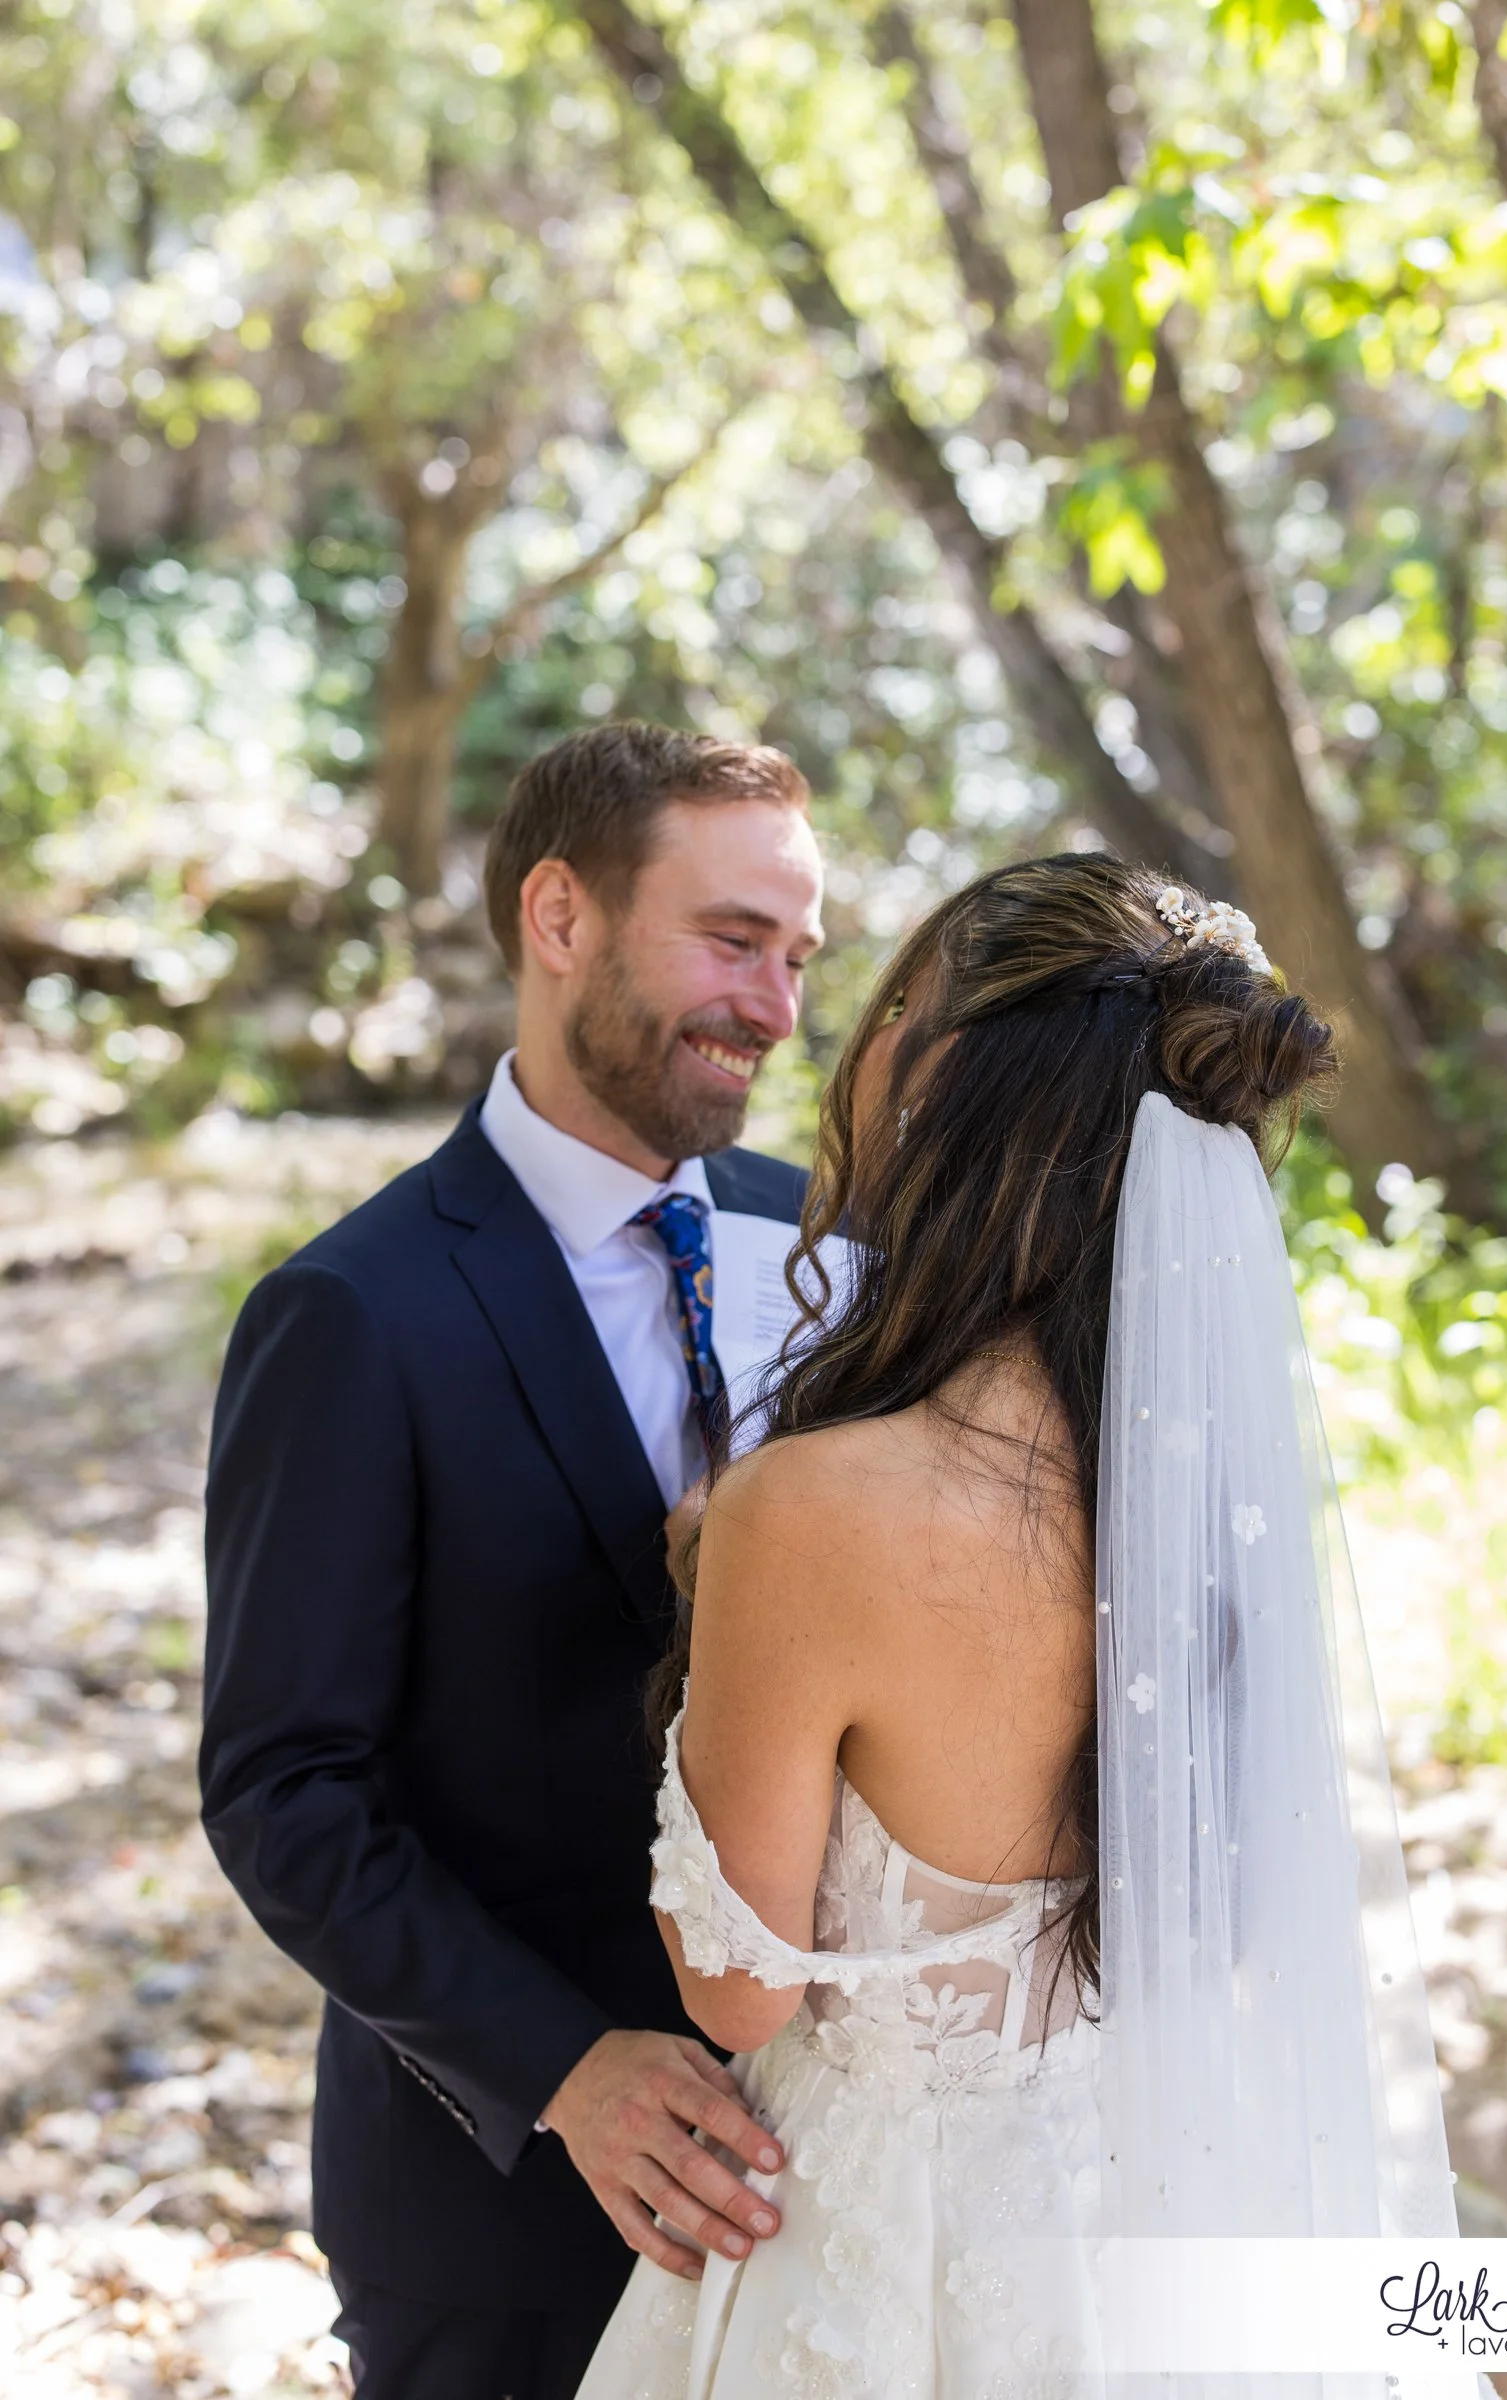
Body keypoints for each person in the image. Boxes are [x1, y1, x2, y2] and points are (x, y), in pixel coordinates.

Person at [577, 853, 1477, 2400]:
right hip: (1166, 2190)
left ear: (937, 1066)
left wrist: (717, 1598)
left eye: (886, 1001)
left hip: (883, 2240)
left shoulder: (807, 1513)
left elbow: (737, 1989)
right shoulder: (1206, 1480)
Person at [200, 724, 826, 2399]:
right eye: (730, 943)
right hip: (498, 2213)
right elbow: (284, 1791)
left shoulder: (838, 1235)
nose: (772, 1009)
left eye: (794, 958)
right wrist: (565, 2070)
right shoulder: (352, 1315)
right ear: (561, 917)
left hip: (830, 2177)